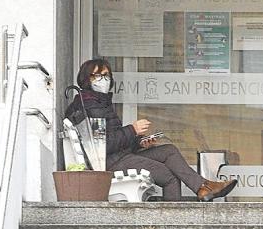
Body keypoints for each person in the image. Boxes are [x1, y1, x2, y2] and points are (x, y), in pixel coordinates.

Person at [67, 58, 237, 202]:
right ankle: (173, 226)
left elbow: (113, 142)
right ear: (86, 78)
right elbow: (102, 146)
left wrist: (140, 143)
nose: (103, 79)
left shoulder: (100, 102)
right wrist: (133, 130)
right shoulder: (89, 104)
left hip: (119, 157)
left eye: (106, 75)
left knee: (168, 151)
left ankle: (203, 187)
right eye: (97, 75)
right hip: (110, 163)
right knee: (169, 176)